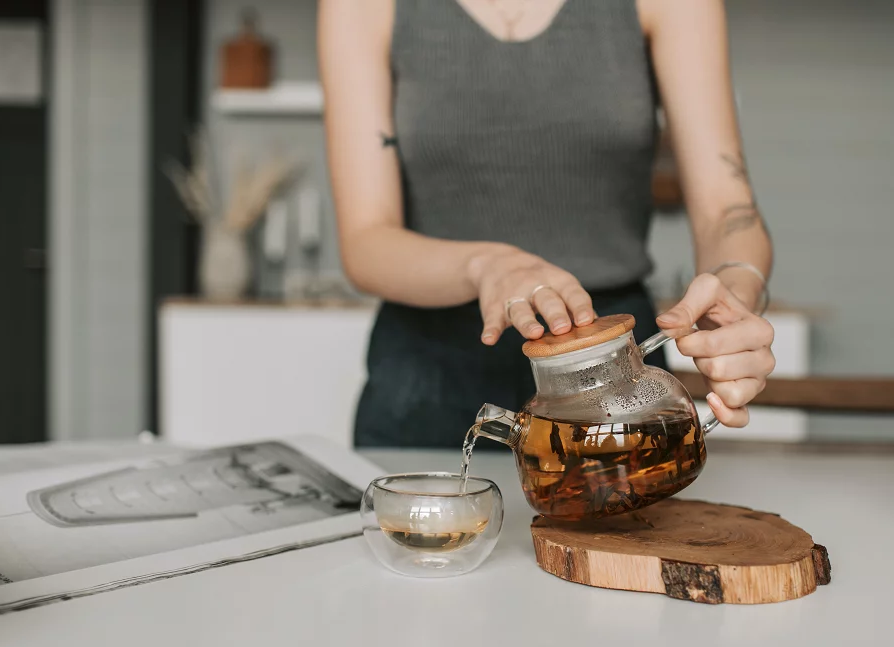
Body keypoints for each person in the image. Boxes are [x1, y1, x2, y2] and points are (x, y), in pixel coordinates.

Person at [319, 0, 775, 449]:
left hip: (613, 367)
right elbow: (366, 240)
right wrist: (488, 266)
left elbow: (725, 208)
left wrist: (735, 291)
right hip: (427, 376)